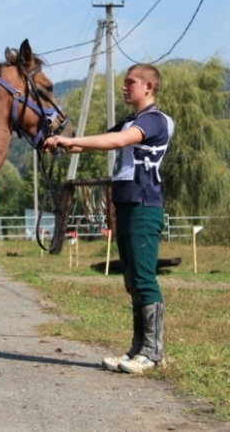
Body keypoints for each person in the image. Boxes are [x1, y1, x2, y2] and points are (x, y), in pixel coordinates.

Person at [43, 63, 174, 374]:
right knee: (131, 279)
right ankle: (138, 347)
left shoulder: (154, 120)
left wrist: (66, 142)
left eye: (130, 82)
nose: (125, 87)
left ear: (149, 87)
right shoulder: (131, 120)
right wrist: (57, 142)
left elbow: (115, 142)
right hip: (126, 204)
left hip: (144, 205)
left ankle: (153, 353)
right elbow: (94, 142)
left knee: (143, 278)